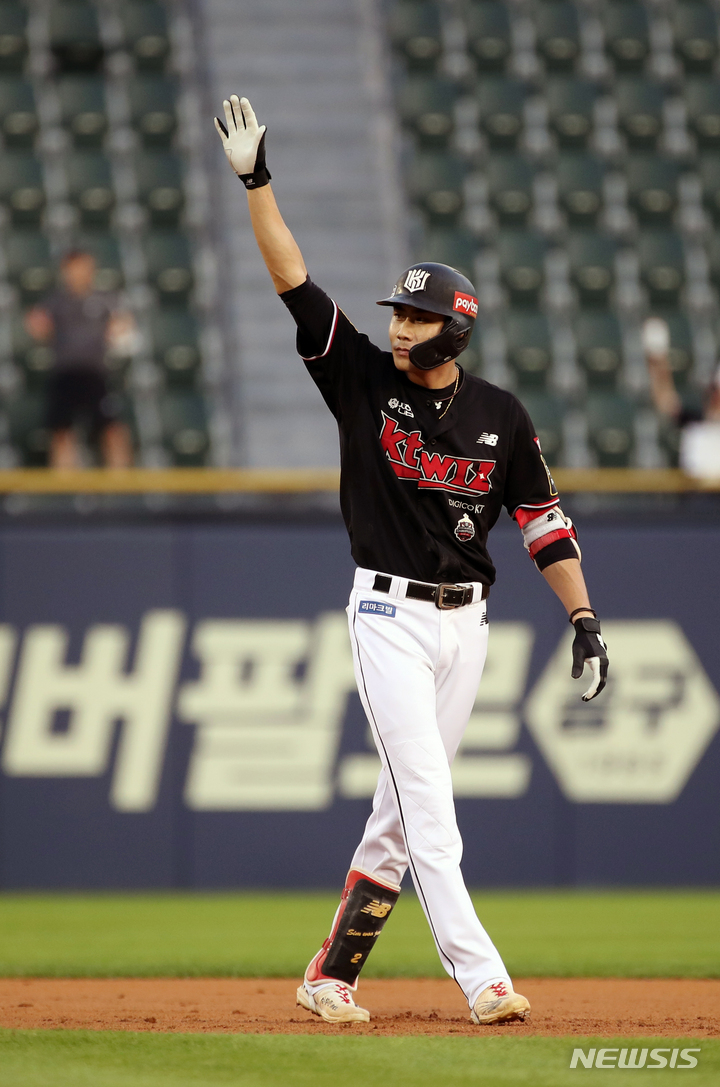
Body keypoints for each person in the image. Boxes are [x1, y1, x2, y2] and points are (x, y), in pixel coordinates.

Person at [215, 95, 609, 1026]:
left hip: (466, 626)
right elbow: (294, 282)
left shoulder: (500, 417)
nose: (399, 326)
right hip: (387, 616)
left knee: (399, 813)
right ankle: (484, 979)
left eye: (418, 318)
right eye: (398, 312)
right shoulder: (359, 379)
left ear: (455, 332)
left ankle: (328, 975)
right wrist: (257, 182)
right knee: (430, 802)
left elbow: (544, 524)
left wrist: (585, 619)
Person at [25, 249, 135, 468]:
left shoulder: (105, 299)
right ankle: (63, 489)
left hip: (96, 373)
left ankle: (122, 488)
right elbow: (37, 326)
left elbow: (124, 326)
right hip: (64, 373)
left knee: (112, 430)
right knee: (62, 432)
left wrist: (120, 329)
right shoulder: (55, 301)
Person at [643, 317, 720, 477]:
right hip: (700, 498)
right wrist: (657, 359)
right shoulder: (696, 420)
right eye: (715, 391)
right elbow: (665, 400)